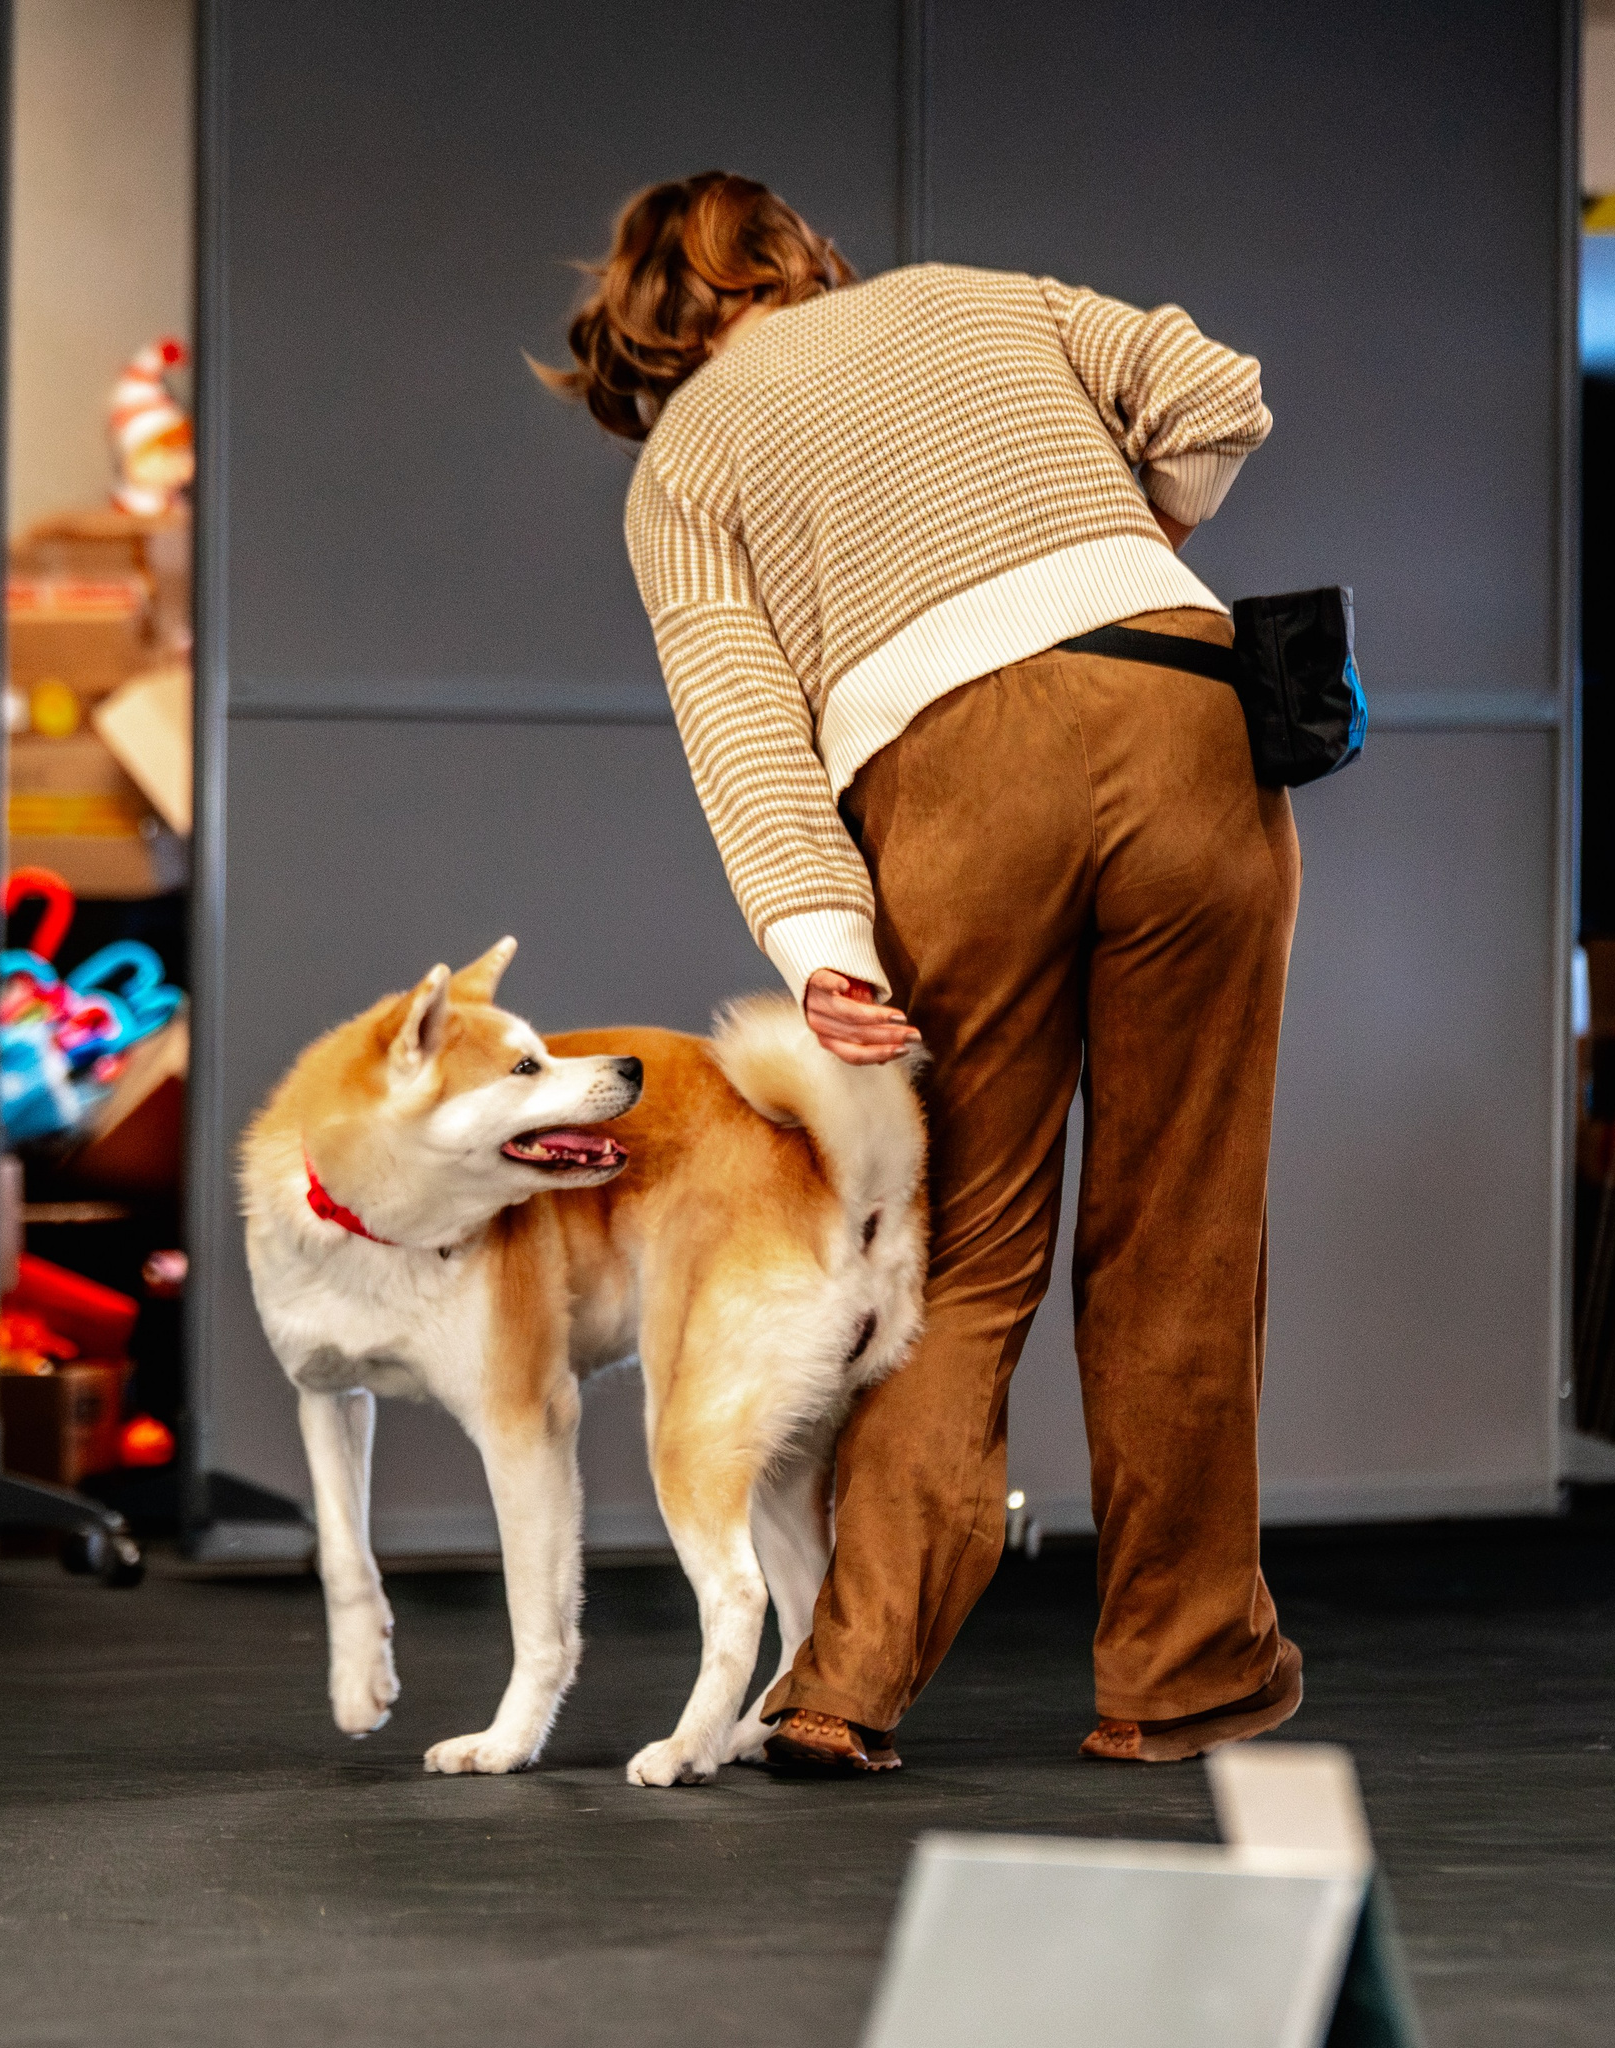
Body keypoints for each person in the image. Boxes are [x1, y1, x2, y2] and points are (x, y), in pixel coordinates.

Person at [538, 171, 1302, 1772]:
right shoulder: (980, 290)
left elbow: (747, 729)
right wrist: (1144, 538)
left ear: (644, 323)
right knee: (1185, 1230)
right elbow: (1214, 388)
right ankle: (1183, 1676)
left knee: (956, 1251)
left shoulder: (683, 465)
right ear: (796, 254)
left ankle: (847, 1682)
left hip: (959, 786)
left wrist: (820, 942)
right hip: (1186, 720)